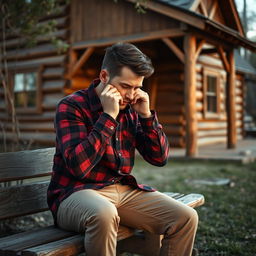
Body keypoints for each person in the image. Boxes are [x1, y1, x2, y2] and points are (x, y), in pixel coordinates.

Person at [47, 42, 198, 256]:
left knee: (185, 218)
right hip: (74, 194)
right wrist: (108, 116)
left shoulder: (132, 108)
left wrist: (146, 117)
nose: (131, 94)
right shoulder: (71, 106)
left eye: (137, 87)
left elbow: (159, 158)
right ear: (104, 76)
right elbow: (79, 167)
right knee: (104, 213)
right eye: (126, 86)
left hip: (120, 190)